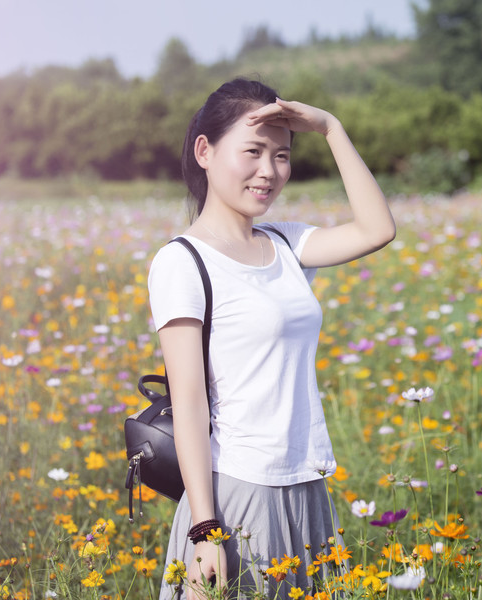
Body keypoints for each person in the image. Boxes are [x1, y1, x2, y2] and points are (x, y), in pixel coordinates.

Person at [148, 78, 396, 600]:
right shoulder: (182, 261)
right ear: (205, 152)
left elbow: (377, 229)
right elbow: (189, 402)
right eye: (254, 152)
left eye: (282, 156)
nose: (269, 172)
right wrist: (203, 528)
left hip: (305, 484)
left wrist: (331, 128)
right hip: (238, 492)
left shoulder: (286, 241)